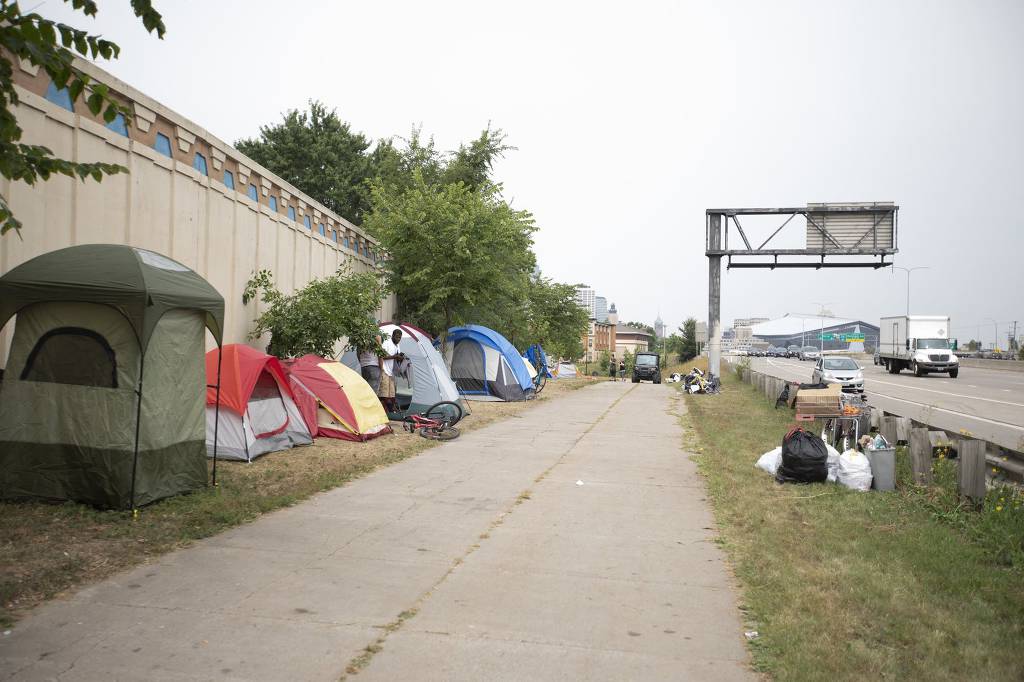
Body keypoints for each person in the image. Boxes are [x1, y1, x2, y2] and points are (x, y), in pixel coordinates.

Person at [378, 328, 404, 414]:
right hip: (385, 370)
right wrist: (394, 357)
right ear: (392, 336)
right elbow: (381, 355)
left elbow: (396, 358)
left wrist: (400, 357)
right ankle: (384, 411)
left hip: (392, 372)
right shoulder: (387, 343)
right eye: (397, 337)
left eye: (400, 338)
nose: (398, 339)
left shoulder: (397, 346)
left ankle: (390, 411)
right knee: (383, 393)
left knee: (392, 394)